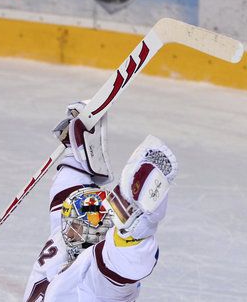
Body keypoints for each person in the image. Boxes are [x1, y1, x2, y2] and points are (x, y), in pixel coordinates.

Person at [23, 101, 178, 302]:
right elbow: (66, 199)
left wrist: (137, 229)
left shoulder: (96, 284)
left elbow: (125, 262)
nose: (67, 228)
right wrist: (77, 149)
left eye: (75, 226)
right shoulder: (73, 236)